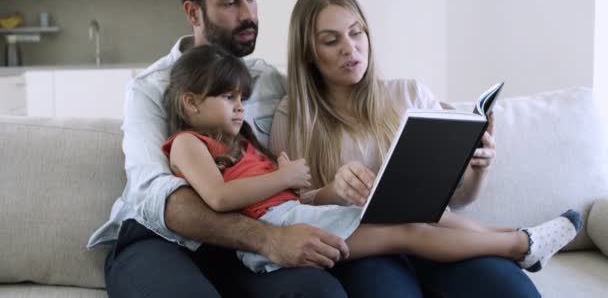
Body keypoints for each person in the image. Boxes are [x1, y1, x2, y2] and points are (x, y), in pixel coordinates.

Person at [162, 43, 581, 276]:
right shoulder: (187, 143)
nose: (240, 108)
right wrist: (283, 176)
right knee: (407, 231)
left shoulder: (241, 143)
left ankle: (511, 233)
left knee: (417, 211)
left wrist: (289, 181)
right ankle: (518, 245)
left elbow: (281, 195)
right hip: (281, 233)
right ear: (190, 101)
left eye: (242, 98)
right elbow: (218, 197)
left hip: (296, 216)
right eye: (227, 98)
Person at [269, 0, 570, 297]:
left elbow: (458, 199)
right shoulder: (292, 116)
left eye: (356, 33)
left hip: (442, 237)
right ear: (308, 53)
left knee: (513, 291)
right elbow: (286, 212)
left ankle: (517, 243)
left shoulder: (410, 94)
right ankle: (515, 239)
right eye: (331, 40)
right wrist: (335, 190)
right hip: (368, 253)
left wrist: (479, 166)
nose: (349, 47)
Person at [86, 0, 355, 297]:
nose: (248, 14)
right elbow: (158, 198)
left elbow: (334, 100)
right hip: (160, 239)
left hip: (244, 246)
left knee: (319, 291)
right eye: (230, 2)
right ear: (193, 12)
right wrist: (268, 239)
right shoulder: (151, 89)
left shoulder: (268, 81)